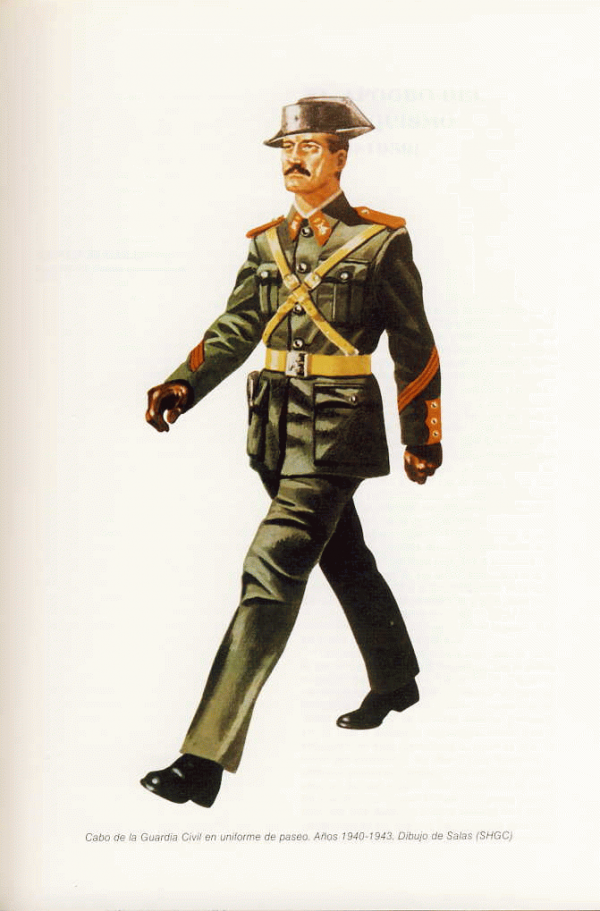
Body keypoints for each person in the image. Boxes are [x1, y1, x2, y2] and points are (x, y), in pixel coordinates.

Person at [141, 96, 442, 807]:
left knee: (269, 571)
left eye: (310, 146)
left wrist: (421, 435)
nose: (295, 158)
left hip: (338, 433)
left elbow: (415, 344)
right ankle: (396, 680)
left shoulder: (379, 241)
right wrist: (183, 383)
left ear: (341, 156)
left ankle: (202, 759)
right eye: (287, 148)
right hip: (274, 430)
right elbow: (237, 325)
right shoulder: (267, 243)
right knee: (345, 557)